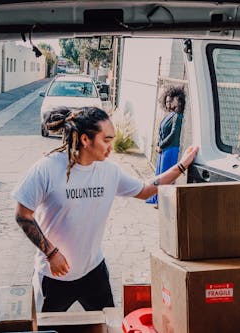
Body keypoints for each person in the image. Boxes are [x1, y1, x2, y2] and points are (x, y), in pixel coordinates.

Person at [12, 106, 198, 312]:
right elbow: (23, 215)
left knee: (105, 325)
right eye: (106, 140)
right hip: (53, 273)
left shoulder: (109, 171)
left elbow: (146, 190)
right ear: (85, 140)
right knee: (47, 329)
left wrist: (181, 166)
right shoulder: (46, 169)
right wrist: (51, 253)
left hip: (93, 270)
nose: (111, 146)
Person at [146, 86, 186, 205]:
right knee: (159, 175)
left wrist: (161, 145)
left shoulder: (177, 116)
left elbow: (173, 134)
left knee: (166, 177)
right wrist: (159, 144)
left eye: (170, 101)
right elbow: (162, 132)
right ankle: (157, 198)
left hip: (170, 149)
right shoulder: (170, 114)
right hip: (164, 149)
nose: (168, 103)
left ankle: (163, 202)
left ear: (177, 101)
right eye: (166, 101)